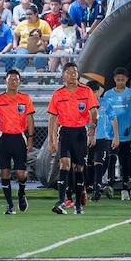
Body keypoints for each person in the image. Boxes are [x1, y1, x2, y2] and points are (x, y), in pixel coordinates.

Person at [47, 63, 99, 215]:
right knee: (64, 164)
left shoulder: (86, 91)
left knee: (79, 168)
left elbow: (93, 110)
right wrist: (52, 140)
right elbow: (52, 118)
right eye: (68, 72)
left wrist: (93, 125)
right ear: (63, 75)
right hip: (65, 132)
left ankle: (78, 204)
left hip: (80, 133)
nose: (72, 74)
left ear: (78, 74)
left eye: (74, 72)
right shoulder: (58, 94)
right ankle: (61, 201)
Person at [0, 69, 35, 215]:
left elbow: (30, 118)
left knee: (21, 173)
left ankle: (21, 192)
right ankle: (10, 205)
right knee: (5, 172)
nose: (13, 82)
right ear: (5, 81)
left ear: (20, 82)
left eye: (16, 79)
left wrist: (30, 137)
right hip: (4, 138)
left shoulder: (25, 99)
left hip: (19, 137)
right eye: (11, 79)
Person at [103, 67, 131, 200]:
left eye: (122, 80)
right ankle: (111, 185)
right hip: (111, 133)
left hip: (126, 133)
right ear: (114, 79)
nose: (120, 82)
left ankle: (126, 186)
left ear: (126, 79)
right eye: (117, 80)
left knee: (126, 161)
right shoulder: (108, 95)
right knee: (111, 159)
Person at [89, 84, 119, 202]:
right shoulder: (84, 104)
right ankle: (90, 187)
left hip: (102, 139)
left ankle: (96, 190)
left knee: (99, 164)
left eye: (93, 92)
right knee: (87, 166)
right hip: (87, 138)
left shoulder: (105, 103)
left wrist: (116, 137)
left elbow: (114, 118)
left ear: (97, 92)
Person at [13, 5, 52, 71]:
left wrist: (40, 36)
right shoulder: (22, 24)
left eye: (30, 14)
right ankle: (19, 76)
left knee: (40, 57)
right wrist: (15, 45)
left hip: (38, 47)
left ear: (36, 14)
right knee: (21, 55)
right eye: (27, 14)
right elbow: (15, 34)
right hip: (24, 47)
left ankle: (40, 78)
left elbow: (50, 37)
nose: (28, 16)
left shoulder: (43, 23)